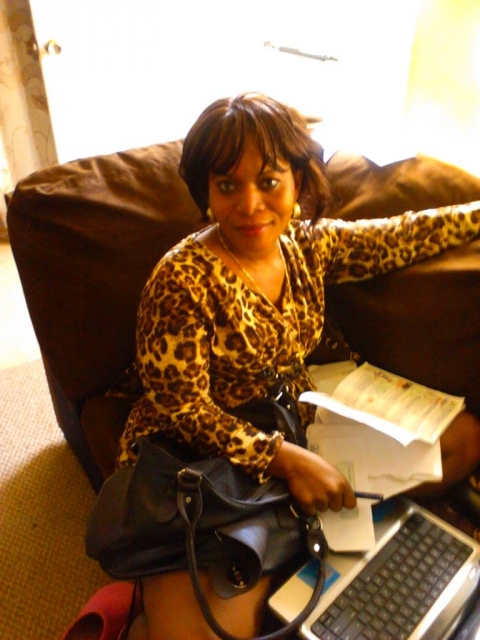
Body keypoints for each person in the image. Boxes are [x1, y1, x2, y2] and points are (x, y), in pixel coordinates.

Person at [119, 93, 480, 639]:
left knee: (463, 441)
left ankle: (302, 531)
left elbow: (402, 235)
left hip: (297, 423)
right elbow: (182, 409)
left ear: (297, 181)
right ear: (206, 193)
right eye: (227, 186)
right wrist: (283, 460)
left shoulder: (307, 244)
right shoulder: (180, 280)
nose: (250, 204)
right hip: (205, 459)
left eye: (268, 181)